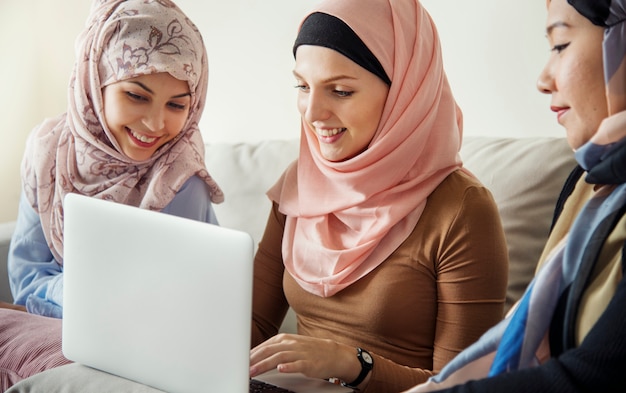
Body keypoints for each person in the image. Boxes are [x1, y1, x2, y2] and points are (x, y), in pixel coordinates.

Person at [248, 0, 509, 391]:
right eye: (303, 86)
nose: (312, 112)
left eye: (339, 90)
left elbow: (463, 385)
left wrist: (353, 363)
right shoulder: (300, 184)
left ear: (405, 91)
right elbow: (250, 327)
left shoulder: (462, 209)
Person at [403, 0, 626, 392]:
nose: (543, 79)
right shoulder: (588, 185)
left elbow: (592, 378)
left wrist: (360, 367)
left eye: (560, 45)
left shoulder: (462, 205)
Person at [3, 0, 223, 318]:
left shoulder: (180, 176)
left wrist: (88, 296)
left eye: (176, 105)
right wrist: (86, 297)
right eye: (136, 96)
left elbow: (184, 305)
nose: (155, 124)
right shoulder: (48, 152)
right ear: (94, 82)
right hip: (55, 330)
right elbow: (27, 278)